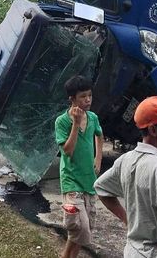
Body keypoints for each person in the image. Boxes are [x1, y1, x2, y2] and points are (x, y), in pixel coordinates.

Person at [94, 96, 157, 258]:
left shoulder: (126, 160)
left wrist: (128, 221)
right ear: (153, 130)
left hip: (133, 251)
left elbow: (101, 188)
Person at [54, 75, 104, 258]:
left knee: (85, 228)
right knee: (79, 227)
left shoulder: (93, 118)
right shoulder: (62, 121)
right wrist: (75, 124)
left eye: (90, 95)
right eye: (83, 96)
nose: (88, 100)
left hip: (89, 180)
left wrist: (98, 158)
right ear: (72, 99)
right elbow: (67, 151)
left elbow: (100, 136)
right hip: (71, 180)